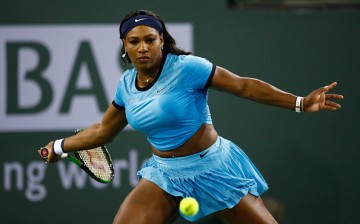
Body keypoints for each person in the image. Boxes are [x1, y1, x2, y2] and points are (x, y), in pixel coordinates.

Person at [38, 9, 343, 224]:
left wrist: (300, 102)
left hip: (214, 169)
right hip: (165, 175)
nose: (143, 47)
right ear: (124, 47)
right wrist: (61, 146)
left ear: (162, 41)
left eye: (150, 39)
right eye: (134, 41)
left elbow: (244, 86)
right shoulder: (125, 85)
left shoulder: (187, 68)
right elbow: (103, 131)